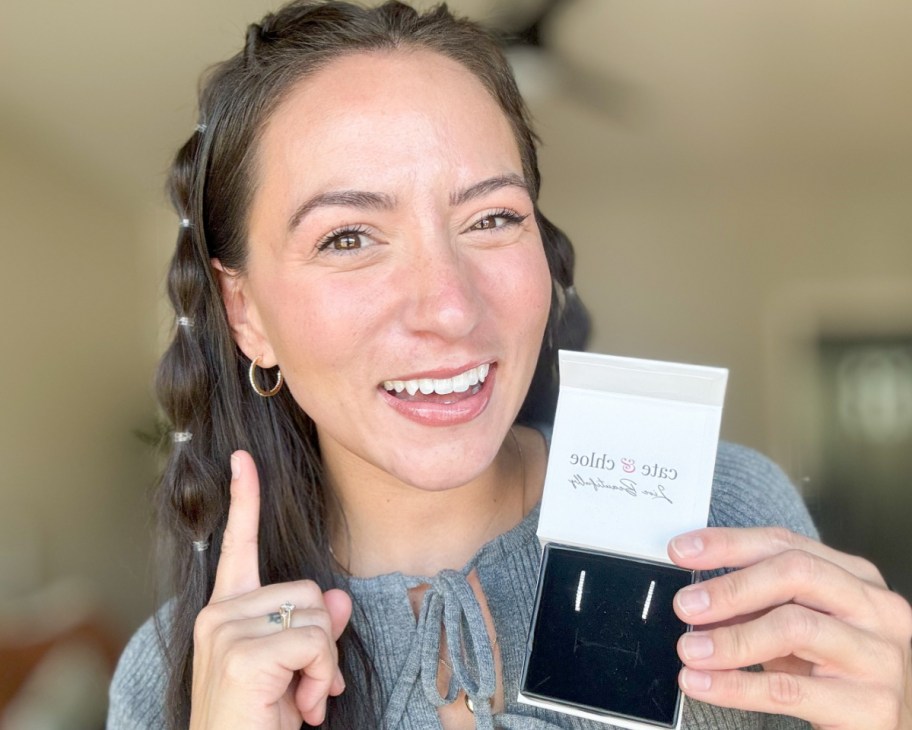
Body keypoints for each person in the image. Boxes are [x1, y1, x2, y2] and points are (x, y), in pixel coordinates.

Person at [107, 2, 912, 729]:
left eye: (492, 217)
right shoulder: (171, 677)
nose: (451, 308)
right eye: (347, 237)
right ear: (245, 312)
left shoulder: (727, 516)